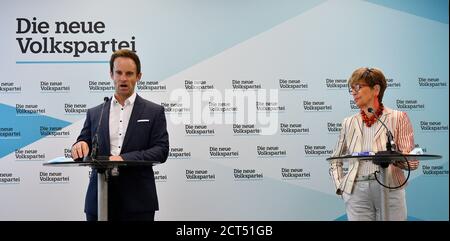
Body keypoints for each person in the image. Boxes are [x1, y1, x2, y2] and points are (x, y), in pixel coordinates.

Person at [71, 49, 169, 221]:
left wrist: (123, 158)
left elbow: (161, 151)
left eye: (129, 73)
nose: (123, 78)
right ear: (111, 74)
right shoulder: (95, 113)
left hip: (138, 202)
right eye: (119, 73)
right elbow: (84, 141)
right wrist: (79, 146)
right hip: (99, 200)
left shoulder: (154, 112)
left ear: (138, 76)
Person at [329, 67, 419, 221]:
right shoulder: (348, 123)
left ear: (376, 89)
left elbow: (412, 162)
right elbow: (335, 159)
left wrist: (394, 158)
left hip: (390, 188)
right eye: (351, 89)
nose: (353, 92)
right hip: (356, 192)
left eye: (358, 87)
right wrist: (342, 187)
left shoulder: (398, 117)